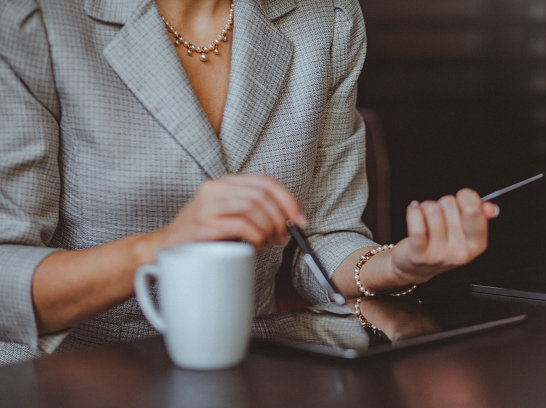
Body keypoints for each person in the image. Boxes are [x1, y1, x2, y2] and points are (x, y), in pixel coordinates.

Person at [0, 0, 498, 365]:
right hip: (69, 374)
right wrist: (159, 248)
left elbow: (322, 237)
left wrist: (399, 263)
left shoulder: (326, 18)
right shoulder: (33, 18)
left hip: (251, 369)